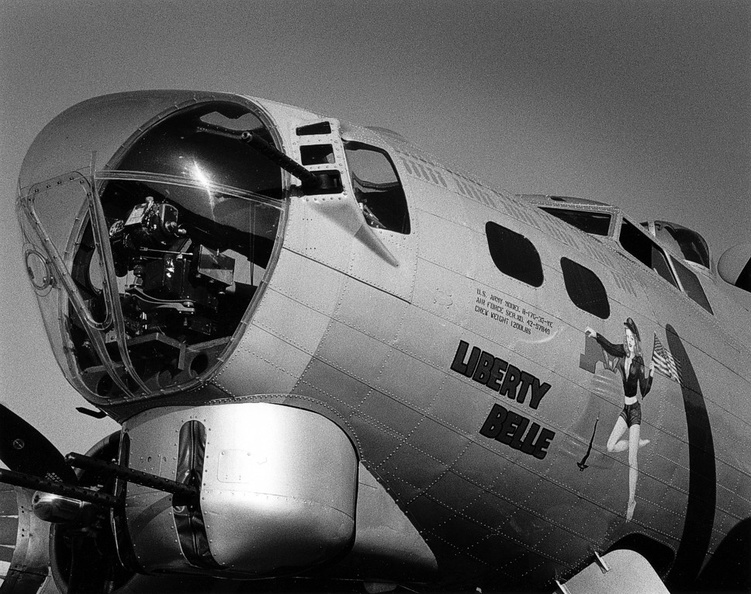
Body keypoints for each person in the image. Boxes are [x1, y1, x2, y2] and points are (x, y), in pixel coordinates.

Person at [585, 318, 654, 521]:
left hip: (635, 412)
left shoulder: (640, 363)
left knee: (632, 460)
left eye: (631, 338)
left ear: (636, 340)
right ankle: (636, 442)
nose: (628, 341)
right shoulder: (622, 355)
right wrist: (596, 335)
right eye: (627, 337)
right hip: (625, 409)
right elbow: (609, 346)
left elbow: (645, 390)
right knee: (610, 446)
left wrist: (652, 375)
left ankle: (631, 501)